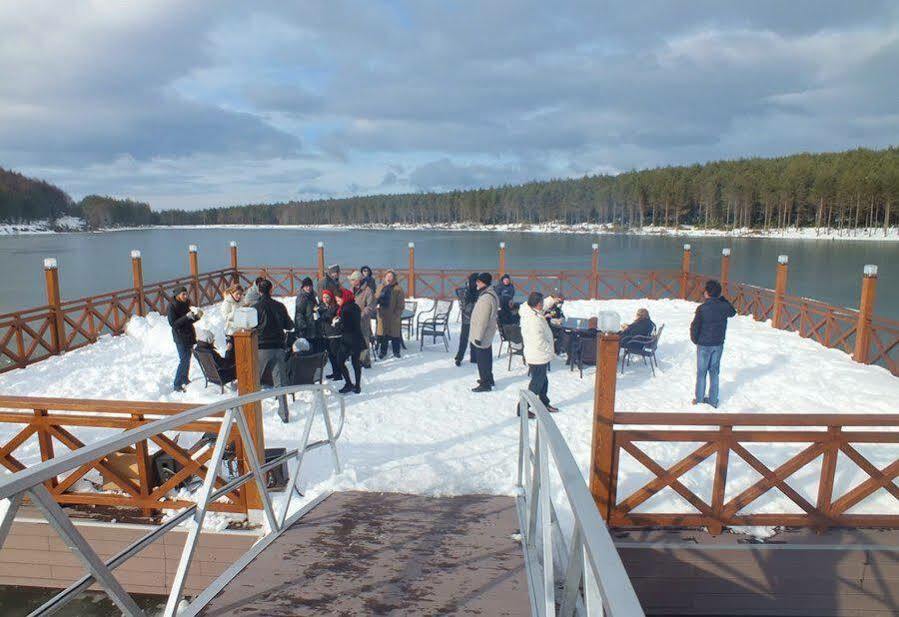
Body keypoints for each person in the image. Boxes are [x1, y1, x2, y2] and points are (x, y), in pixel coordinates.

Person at [690, 279, 737, 408]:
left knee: (701, 372)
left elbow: (694, 326)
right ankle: (713, 400)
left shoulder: (702, 308)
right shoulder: (724, 306)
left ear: (707, 293)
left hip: (704, 344)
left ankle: (699, 399)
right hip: (718, 344)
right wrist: (723, 299)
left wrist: (695, 340)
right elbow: (733, 312)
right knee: (714, 371)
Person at [254, 279, 294, 422]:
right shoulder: (279, 306)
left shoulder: (255, 307)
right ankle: (284, 414)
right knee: (280, 383)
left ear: (259, 291)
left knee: (254, 381)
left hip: (262, 348)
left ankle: (252, 412)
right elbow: (289, 325)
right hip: (279, 346)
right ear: (271, 290)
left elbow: (251, 328)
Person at [520, 292, 559, 416]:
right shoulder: (533, 321)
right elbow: (539, 343)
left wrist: (552, 299)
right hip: (537, 355)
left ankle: (544, 403)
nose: (543, 304)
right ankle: (522, 408)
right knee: (536, 384)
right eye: (541, 303)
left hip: (537, 354)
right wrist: (551, 350)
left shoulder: (527, 308)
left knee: (543, 381)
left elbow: (544, 305)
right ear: (537, 305)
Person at [167, 286, 202, 392]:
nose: (186, 296)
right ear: (178, 295)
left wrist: (196, 317)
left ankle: (185, 378)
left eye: (186, 294)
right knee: (183, 359)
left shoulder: (185, 303)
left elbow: (188, 320)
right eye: (183, 294)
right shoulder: (172, 306)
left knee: (188, 358)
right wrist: (186, 317)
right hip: (180, 337)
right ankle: (177, 384)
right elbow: (173, 324)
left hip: (189, 335)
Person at [469, 272, 499, 392]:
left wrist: (478, 337)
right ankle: (489, 378)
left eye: (478, 281)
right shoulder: (489, 293)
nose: (476, 283)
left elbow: (483, 319)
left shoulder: (486, 298)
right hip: (487, 333)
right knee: (487, 356)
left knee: (482, 360)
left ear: (483, 283)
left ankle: (485, 383)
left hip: (482, 334)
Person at [334, 289, 365, 394]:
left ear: (344, 298)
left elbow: (346, 326)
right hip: (357, 339)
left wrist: (337, 324)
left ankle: (348, 383)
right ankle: (357, 386)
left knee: (339, 361)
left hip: (348, 340)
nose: (337, 303)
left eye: (338, 300)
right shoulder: (355, 306)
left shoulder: (345, 309)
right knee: (355, 363)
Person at [375, 270, 405, 359]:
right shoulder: (380, 287)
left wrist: (396, 315)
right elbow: (376, 298)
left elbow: (401, 305)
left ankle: (396, 351)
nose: (388, 278)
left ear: (394, 278)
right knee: (384, 334)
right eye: (387, 276)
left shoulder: (398, 288)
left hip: (393, 315)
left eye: (391, 276)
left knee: (395, 335)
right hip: (383, 315)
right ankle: (383, 352)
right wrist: (376, 305)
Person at [349, 270, 376, 368]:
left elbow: (370, 306)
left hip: (363, 320)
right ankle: (358, 360)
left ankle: (366, 362)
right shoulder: (351, 290)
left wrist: (360, 314)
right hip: (353, 320)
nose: (351, 282)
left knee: (364, 340)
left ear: (358, 280)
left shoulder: (368, 290)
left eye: (353, 280)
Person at [453, 272, 479, 366]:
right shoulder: (465, 291)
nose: (477, 283)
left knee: (474, 338)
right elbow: (463, 306)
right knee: (464, 339)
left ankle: (474, 357)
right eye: (476, 281)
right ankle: (459, 358)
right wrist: (474, 303)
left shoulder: (478, 291)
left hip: (476, 319)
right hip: (467, 319)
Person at [317, 289, 343, 379]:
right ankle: (335, 372)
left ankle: (339, 374)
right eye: (324, 297)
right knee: (331, 356)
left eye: (327, 297)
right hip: (326, 335)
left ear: (331, 298)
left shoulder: (334, 307)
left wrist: (321, 313)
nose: (325, 299)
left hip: (334, 335)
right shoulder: (322, 307)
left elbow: (328, 316)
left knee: (335, 355)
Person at [220, 283, 244, 361]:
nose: (239, 296)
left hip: (240, 330)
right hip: (230, 331)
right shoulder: (227, 302)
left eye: (240, 294)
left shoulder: (242, 301)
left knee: (240, 352)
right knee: (230, 351)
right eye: (237, 294)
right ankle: (226, 367)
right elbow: (225, 317)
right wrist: (235, 312)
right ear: (232, 293)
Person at [293, 277, 318, 343]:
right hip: (305, 328)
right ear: (303, 287)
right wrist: (302, 327)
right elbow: (299, 313)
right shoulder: (302, 297)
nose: (308, 288)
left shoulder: (312, 296)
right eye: (306, 286)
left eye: (310, 286)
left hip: (311, 326)